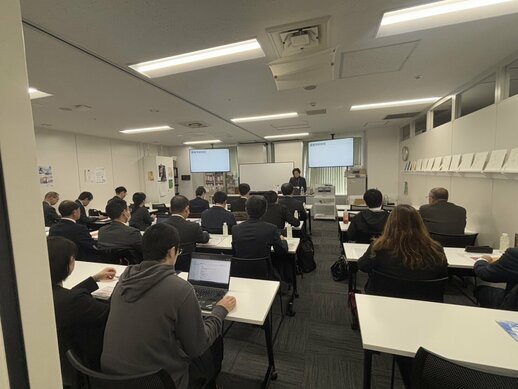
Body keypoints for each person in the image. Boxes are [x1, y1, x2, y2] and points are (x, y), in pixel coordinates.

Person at [101, 223, 236, 389]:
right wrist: (219, 311)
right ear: (172, 251)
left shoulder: (124, 279)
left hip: (111, 378)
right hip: (159, 382)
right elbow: (197, 347)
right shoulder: (181, 289)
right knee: (214, 341)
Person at [47, 236, 116, 388]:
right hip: (89, 360)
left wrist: (94, 279)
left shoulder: (47, 293)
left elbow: (68, 296)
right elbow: (112, 313)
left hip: (62, 360)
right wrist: (120, 288)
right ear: (68, 263)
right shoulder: (74, 301)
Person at [358, 204, 448, 289]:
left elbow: (363, 266)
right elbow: (443, 274)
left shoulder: (379, 247)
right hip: (425, 299)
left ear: (390, 224)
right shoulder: (436, 248)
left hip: (384, 297)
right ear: (419, 223)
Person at [232, 195, 288, 259]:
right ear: (265, 210)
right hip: (264, 268)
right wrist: (283, 241)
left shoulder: (235, 229)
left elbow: (234, 252)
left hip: (241, 268)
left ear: (246, 209)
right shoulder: (271, 229)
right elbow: (281, 251)